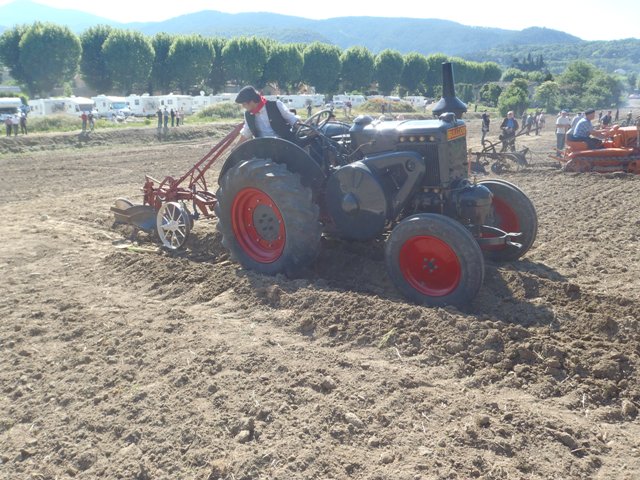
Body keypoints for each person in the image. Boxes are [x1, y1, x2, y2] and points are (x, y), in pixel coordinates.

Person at [235, 85, 299, 145]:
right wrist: (235, 148)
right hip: (263, 148)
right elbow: (246, 133)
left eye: (244, 104)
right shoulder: (248, 115)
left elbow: (293, 121)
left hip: (284, 145)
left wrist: (306, 131)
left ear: (251, 102)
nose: (243, 106)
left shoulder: (276, 105)